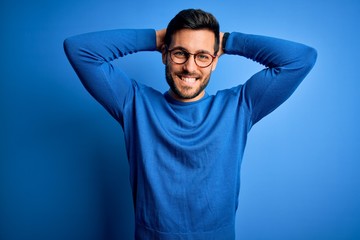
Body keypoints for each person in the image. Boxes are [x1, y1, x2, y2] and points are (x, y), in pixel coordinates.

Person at [64, 8, 317, 240]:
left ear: (215, 60)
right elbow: (79, 50)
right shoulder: (134, 103)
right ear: (165, 54)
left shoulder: (240, 106)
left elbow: (301, 59)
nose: (189, 67)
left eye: (203, 56)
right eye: (180, 53)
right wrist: (156, 37)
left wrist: (227, 41)